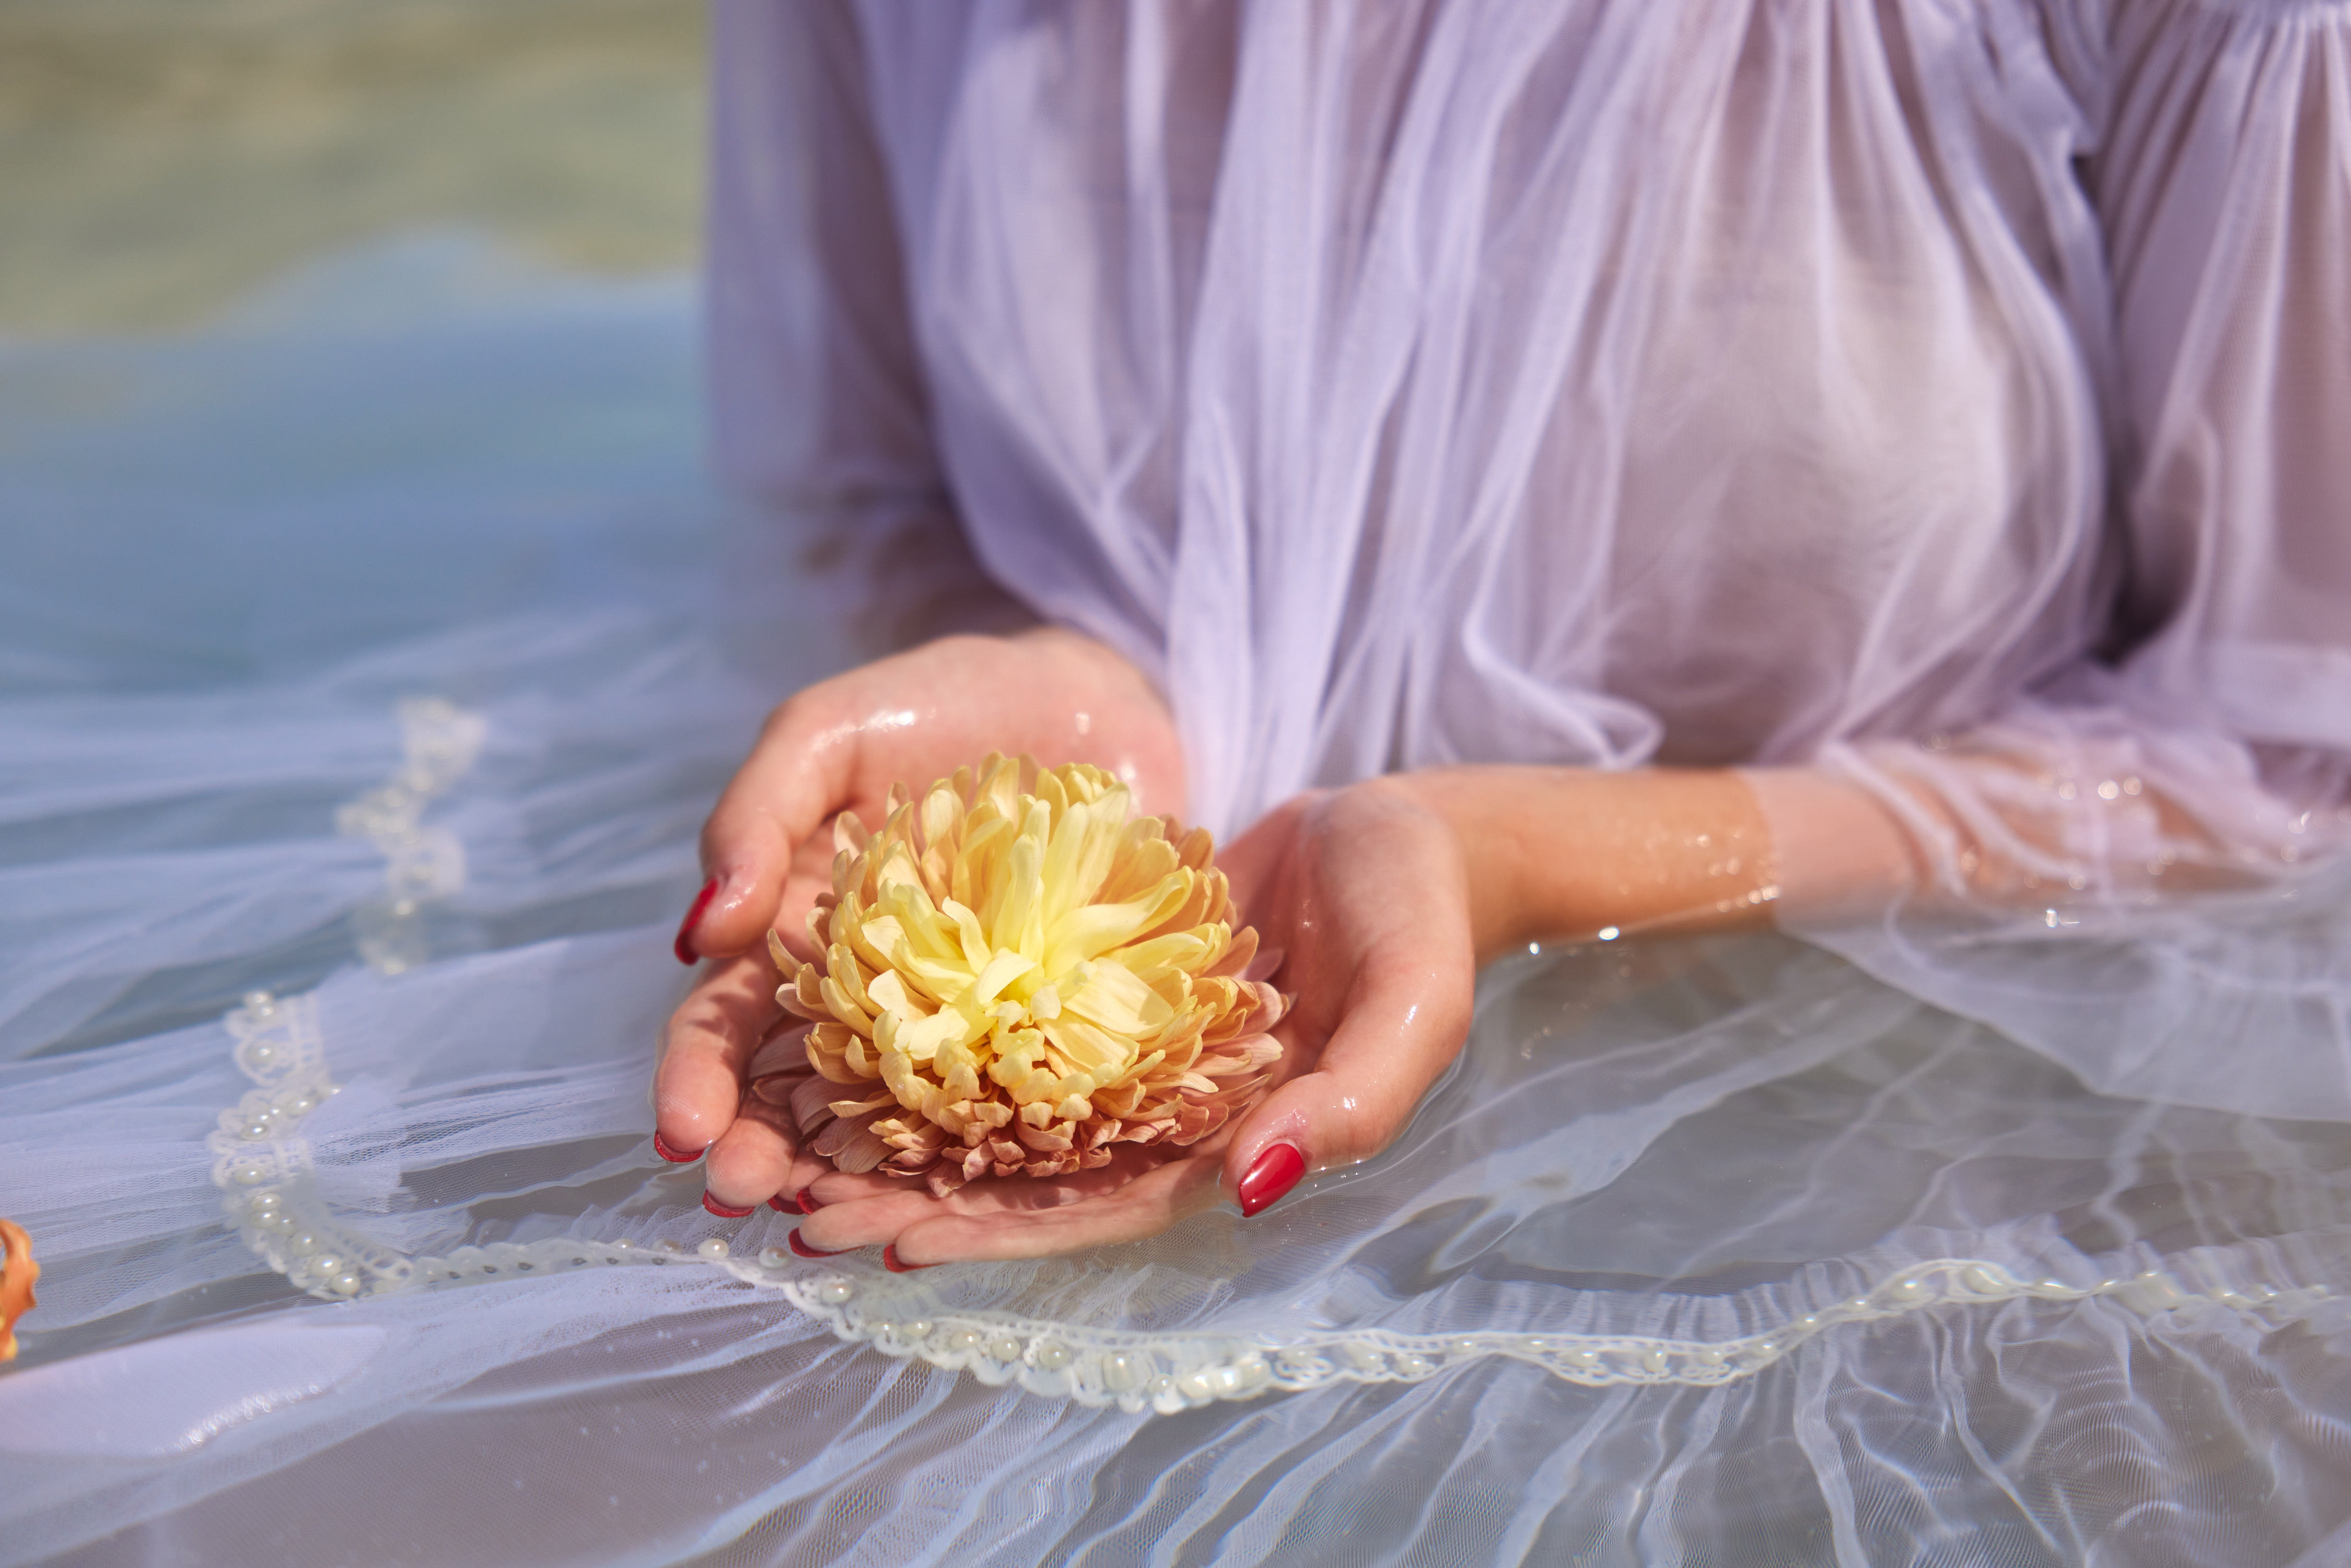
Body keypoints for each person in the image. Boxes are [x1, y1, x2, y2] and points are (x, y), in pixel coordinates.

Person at [656, 0, 2351, 1271]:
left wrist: (1533, 859)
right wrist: (1077, 713)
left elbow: (2289, 740)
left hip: (1933, 1179)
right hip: (1233, 1105)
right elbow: (865, 492)